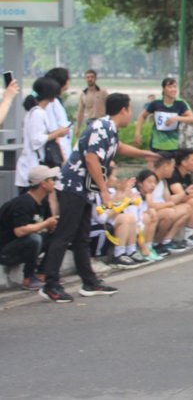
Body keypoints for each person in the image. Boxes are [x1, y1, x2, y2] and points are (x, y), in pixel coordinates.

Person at [40, 93, 159, 303]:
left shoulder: (110, 129)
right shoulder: (101, 127)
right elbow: (92, 158)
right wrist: (104, 191)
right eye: (130, 110)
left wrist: (146, 154)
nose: (130, 115)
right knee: (65, 234)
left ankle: (89, 281)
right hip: (72, 186)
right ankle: (50, 284)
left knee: (82, 236)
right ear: (124, 109)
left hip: (84, 189)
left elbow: (118, 148)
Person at [0, 165, 58, 290]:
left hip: (22, 247)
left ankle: (43, 273)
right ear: (43, 184)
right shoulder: (23, 203)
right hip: (5, 252)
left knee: (58, 236)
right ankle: (28, 278)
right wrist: (45, 224)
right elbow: (19, 231)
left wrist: (53, 225)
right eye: (51, 179)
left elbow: (49, 226)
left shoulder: (43, 201)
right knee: (34, 239)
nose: (54, 182)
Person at [15, 77, 71, 197]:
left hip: (32, 168)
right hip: (31, 170)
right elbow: (36, 140)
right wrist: (57, 133)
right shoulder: (38, 114)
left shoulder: (35, 112)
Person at [134, 78, 193, 155]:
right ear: (164, 89)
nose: (173, 89)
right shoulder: (156, 103)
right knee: (156, 165)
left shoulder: (180, 103)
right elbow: (142, 116)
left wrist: (176, 118)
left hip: (173, 144)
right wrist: (137, 133)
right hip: (156, 144)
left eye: (175, 87)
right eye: (170, 87)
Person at [43, 67, 72, 160]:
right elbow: (54, 131)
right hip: (59, 154)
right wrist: (63, 158)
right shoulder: (51, 103)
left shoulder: (56, 101)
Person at [74, 69, 108, 140]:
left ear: (95, 78)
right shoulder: (83, 94)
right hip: (90, 122)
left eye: (92, 77)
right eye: (88, 77)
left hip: (102, 121)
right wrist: (78, 128)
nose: (90, 79)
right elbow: (80, 112)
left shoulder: (103, 92)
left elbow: (110, 107)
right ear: (85, 79)